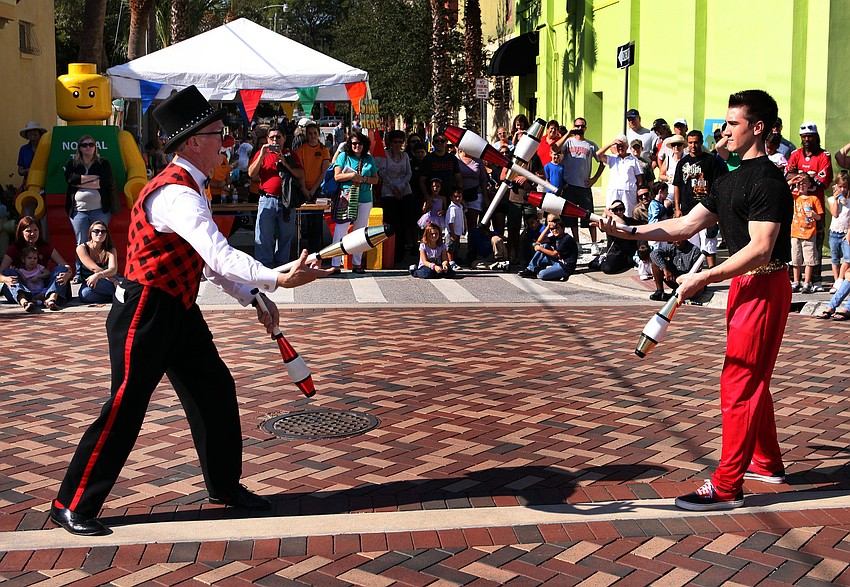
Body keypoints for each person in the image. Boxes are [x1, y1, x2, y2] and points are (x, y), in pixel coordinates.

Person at [50, 85, 331, 537]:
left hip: (178, 309)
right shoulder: (177, 195)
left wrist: (254, 297)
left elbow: (205, 263)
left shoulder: (191, 188)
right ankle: (72, 503)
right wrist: (276, 279)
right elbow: (219, 256)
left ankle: (224, 486)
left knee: (215, 390)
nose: (225, 143)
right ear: (191, 143)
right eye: (218, 134)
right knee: (125, 406)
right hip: (144, 313)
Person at [596, 89, 793, 511]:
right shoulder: (728, 178)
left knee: (738, 381)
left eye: (733, 123)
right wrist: (629, 231)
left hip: (765, 285)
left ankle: (727, 485)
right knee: (750, 377)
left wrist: (702, 275)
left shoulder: (768, 181)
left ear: (758, 128)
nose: (724, 131)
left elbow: (761, 247)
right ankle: (767, 461)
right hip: (744, 286)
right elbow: (685, 224)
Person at [786, 122, 833, 289]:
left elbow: (822, 181)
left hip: (815, 207)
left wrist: (802, 175)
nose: (807, 140)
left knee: (815, 245)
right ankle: (795, 279)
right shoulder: (795, 154)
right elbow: (788, 174)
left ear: (816, 137)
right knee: (795, 247)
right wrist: (805, 176)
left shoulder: (823, 156)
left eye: (810, 136)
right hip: (797, 210)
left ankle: (816, 279)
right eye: (804, 137)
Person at [249, 125, 304, 269]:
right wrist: (261, 155)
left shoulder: (291, 155)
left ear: (284, 139)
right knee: (263, 236)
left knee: (285, 236)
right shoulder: (262, 154)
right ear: (267, 139)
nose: (275, 140)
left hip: (286, 201)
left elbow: (301, 174)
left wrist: (286, 164)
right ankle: (264, 266)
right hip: (267, 200)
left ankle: (282, 265)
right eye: (272, 137)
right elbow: (251, 173)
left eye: (278, 137)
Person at [64, 135, 118, 277]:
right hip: (78, 211)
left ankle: (102, 271)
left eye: (91, 144)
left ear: (95, 147)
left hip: (100, 210)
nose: (88, 147)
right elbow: (70, 179)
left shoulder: (103, 163)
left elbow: (104, 182)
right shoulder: (73, 164)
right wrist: (94, 177)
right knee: (81, 243)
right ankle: (79, 273)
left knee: (100, 241)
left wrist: (80, 181)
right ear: (80, 148)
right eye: (84, 145)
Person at [673, 130, 727, 268]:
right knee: (691, 241)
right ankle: (694, 269)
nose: (693, 145)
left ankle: (711, 269)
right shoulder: (682, 163)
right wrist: (677, 208)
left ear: (701, 142)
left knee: (709, 238)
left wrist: (716, 204)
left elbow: (718, 183)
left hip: (707, 207)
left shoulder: (711, 160)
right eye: (690, 143)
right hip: (688, 207)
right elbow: (677, 186)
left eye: (696, 142)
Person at [329, 131, 379, 274]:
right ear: (349, 145)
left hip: (364, 198)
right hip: (346, 197)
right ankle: (335, 263)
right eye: (354, 143)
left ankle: (357, 263)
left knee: (360, 231)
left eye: (359, 143)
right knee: (341, 229)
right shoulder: (344, 156)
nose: (357, 146)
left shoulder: (369, 159)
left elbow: (375, 179)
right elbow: (337, 176)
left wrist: (362, 179)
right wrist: (352, 175)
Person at [1, 216, 73, 311]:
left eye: (35, 230)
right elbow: (1, 272)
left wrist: (68, 275)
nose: (32, 233)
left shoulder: (45, 247)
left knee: (61, 269)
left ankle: (51, 299)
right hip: (21, 287)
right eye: (28, 231)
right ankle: (25, 302)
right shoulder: (14, 249)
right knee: (9, 272)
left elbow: (65, 266)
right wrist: (6, 279)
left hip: (43, 286)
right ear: (21, 232)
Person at [555, 117, 604, 253]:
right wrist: (567, 134)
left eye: (582, 126)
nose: (579, 128)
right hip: (569, 185)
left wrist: (594, 178)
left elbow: (602, 161)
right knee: (571, 216)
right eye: (577, 126)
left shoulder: (591, 145)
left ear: (586, 128)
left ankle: (594, 243)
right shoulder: (568, 142)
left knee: (589, 216)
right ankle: (577, 242)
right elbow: (554, 148)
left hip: (584, 186)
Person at [295, 122, 332, 252]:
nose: (312, 136)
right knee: (303, 219)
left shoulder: (323, 150)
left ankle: (315, 250)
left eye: (314, 133)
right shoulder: (301, 150)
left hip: (318, 188)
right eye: (310, 133)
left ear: (318, 134)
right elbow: (300, 171)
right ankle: (302, 248)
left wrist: (313, 189)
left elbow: (324, 172)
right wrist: (304, 188)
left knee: (316, 221)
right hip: (303, 187)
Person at [789, 174, 823, 293]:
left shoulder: (813, 199)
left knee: (809, 260)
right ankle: (796, 281)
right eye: (799, 184)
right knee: (796, 259)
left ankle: (807, 282)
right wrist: (792, 182)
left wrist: (814, 215)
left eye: (804, 183)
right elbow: (783, 191)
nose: (801, 186)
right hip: (795, 233)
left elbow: (819, 216)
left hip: (809, 234)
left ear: (809, 184)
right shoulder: (794, 197)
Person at [518, 214, 578, 281]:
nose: (554, 231)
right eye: (552, 229)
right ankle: (531, 270)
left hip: (565, 266)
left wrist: (539, 248)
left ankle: (558, 274)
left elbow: (554, 254)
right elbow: (539, 241)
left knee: (542, 274)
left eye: (556, 228)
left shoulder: (566, 239)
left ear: (562, 228)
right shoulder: (555, 237)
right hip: (558, 261)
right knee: (544, 246)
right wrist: (548, 227)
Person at [596, 134, 643, 216]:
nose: (620, 148)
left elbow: (639, 180)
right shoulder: (612, 158)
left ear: (627, 146)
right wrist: (611, 144)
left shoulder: (633, 160)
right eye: (618, 146)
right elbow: (598, 154)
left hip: (629, 192)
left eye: (622, 145)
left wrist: (638, 195)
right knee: (612, 214)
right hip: (614, 190)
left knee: (628, 215)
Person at [76, 220, 119, 303]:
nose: (100, 234)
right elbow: (94, 268)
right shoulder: (82, 248)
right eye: (96, 231)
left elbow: (113, 270)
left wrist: (99, 276)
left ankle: (118, 294)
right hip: (91, 280)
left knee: (92, 288)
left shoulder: (111, 250)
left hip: (107, 280)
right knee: (85, 294)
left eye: (103, 232)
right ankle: (118, 295)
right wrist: (114, 281)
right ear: (90, 233)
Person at [827, 171, 850, 294]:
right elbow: (835, 214)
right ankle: (836, 282)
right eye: (840, 186)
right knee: (835, 259)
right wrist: (836, 199)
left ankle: (841, 280)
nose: (842, 189)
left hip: (846, 232)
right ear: (836, 186)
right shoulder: (831, 199)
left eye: (845, 187)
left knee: (847, 258)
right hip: (835, 232)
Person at [16, 245, 49, 311]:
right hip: (29, 292)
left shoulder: (39, 267)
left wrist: (38, 276)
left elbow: (48, 273)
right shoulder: (21, 271)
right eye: (29, 258)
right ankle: (37, 302)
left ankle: (35, 301)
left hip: (40, 291)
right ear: (23, 259)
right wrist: (22, 277)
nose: (32, 260)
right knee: (24, 294)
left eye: (35, 258)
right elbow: (18, 278)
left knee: (47, 291)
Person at [18, 121, 47, 185]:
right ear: (27, 135)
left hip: (45, 183)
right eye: (29, 131)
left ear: (39, 133)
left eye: (34, 130)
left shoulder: (47, 148)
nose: (32, 133)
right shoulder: (23, 149)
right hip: (28, 183)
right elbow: (20, 171)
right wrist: (28, 171)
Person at [445, 187, 466, 271]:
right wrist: (452, 233)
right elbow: (450, 222)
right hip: (452, 232)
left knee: (456, 247)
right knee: (449, 247)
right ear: (451, 197)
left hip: (458, 231)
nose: (458, 198)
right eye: (455, 197)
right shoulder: (452, 208)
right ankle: (451, 262)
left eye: (459, 196)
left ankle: (455, 260)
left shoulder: (460, 207)